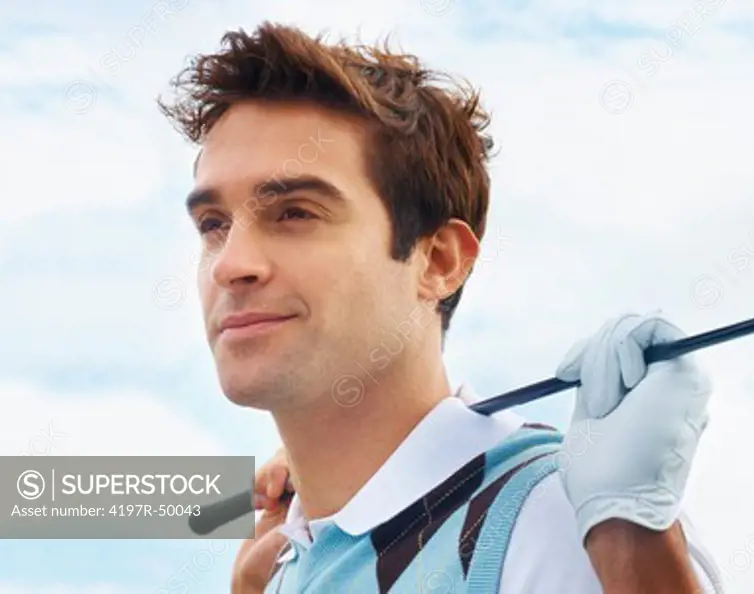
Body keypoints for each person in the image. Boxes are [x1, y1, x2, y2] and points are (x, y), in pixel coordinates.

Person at [159, 21, 723, 593]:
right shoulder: (281, 562)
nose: (231, 263)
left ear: (438, 262)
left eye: (296, 213)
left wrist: (630, 544)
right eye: (213, 224)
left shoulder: (555, 524)